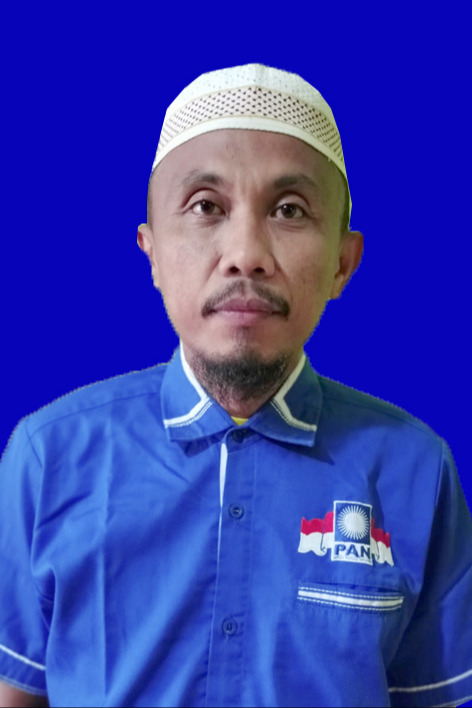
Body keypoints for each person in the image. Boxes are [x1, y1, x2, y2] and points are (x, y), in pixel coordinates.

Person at [0, 63, 471, 708]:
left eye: (288, 210)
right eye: (205, 206)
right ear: (152, 251)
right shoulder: (47, 457)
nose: (246, 253)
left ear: (342, 262)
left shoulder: (417, 471)